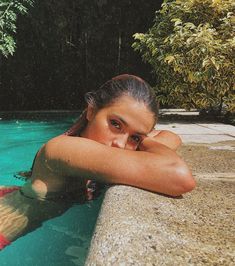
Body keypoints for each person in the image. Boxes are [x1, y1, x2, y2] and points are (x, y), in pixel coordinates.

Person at [0, 74, 195, 250]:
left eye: (135, 137)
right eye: (115, 124)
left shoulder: (94, 152)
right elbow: (178, 177)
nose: (120, 144)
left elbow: (170, 136)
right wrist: (143, 143)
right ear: (91, 111)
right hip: (6, 217)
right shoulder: (63, 148)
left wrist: (144, 139)